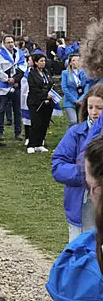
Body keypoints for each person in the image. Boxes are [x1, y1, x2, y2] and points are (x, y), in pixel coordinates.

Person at [46, 134, 103, 298]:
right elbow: (58, 165)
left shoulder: (80, 261)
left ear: (95, 190)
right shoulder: (76, 132)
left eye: (89, 185)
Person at [52, 82, 103, 241]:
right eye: (90, 107)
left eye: (99, 108)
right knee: (79, 252)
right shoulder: (76, 133)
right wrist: (85, 174)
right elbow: (58, 166)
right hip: (81, 206)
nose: (94, 112)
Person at [26, 52, 56, 154]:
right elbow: (33, 88)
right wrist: (44, 95)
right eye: (41, 61)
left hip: (47, 103)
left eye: (44, 61)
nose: (43, 63)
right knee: (36, 123)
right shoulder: (31, 74)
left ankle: (40, 144)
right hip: (35, 102)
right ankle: (31, 144)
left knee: (44, 123)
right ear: (36, 62)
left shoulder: (47, 72)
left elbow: (51, 84)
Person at [61, 54, 87, 126]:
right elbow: (64, 88)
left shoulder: (83, 73)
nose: (76, 62)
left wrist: (81, 99)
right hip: (70, 101)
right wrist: (74, 100)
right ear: (70, 62)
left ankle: (77, 136)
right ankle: (69, 136)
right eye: (74, 60)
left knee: (80, 122)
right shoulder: (65, 73)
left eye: (78, 60)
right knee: (73, 121)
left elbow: (86, 86)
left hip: (81, 100)